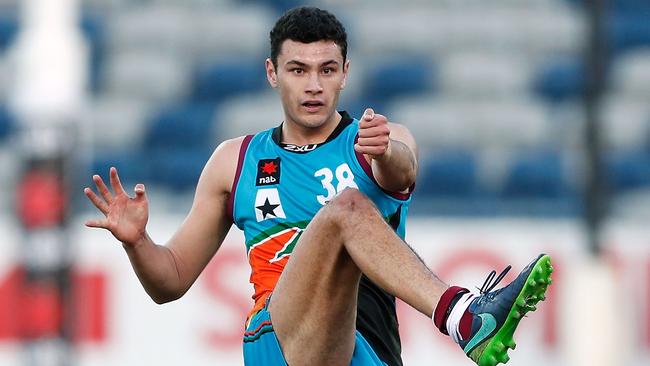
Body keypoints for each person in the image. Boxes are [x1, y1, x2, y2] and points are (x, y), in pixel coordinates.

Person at [84, 6, 553, 366]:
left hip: (365, 351)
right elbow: (170, 280)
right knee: (347, 209)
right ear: (273, 74)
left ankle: (468, 320)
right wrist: (138, 242)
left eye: (327, 70)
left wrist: (384, 151)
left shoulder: (378, 140)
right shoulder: (236, 161)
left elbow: (402, 170)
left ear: (345, 74)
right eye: (298, 70)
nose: (313, 85)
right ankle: (465, 318)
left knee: (351, 211)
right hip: (278, 341)